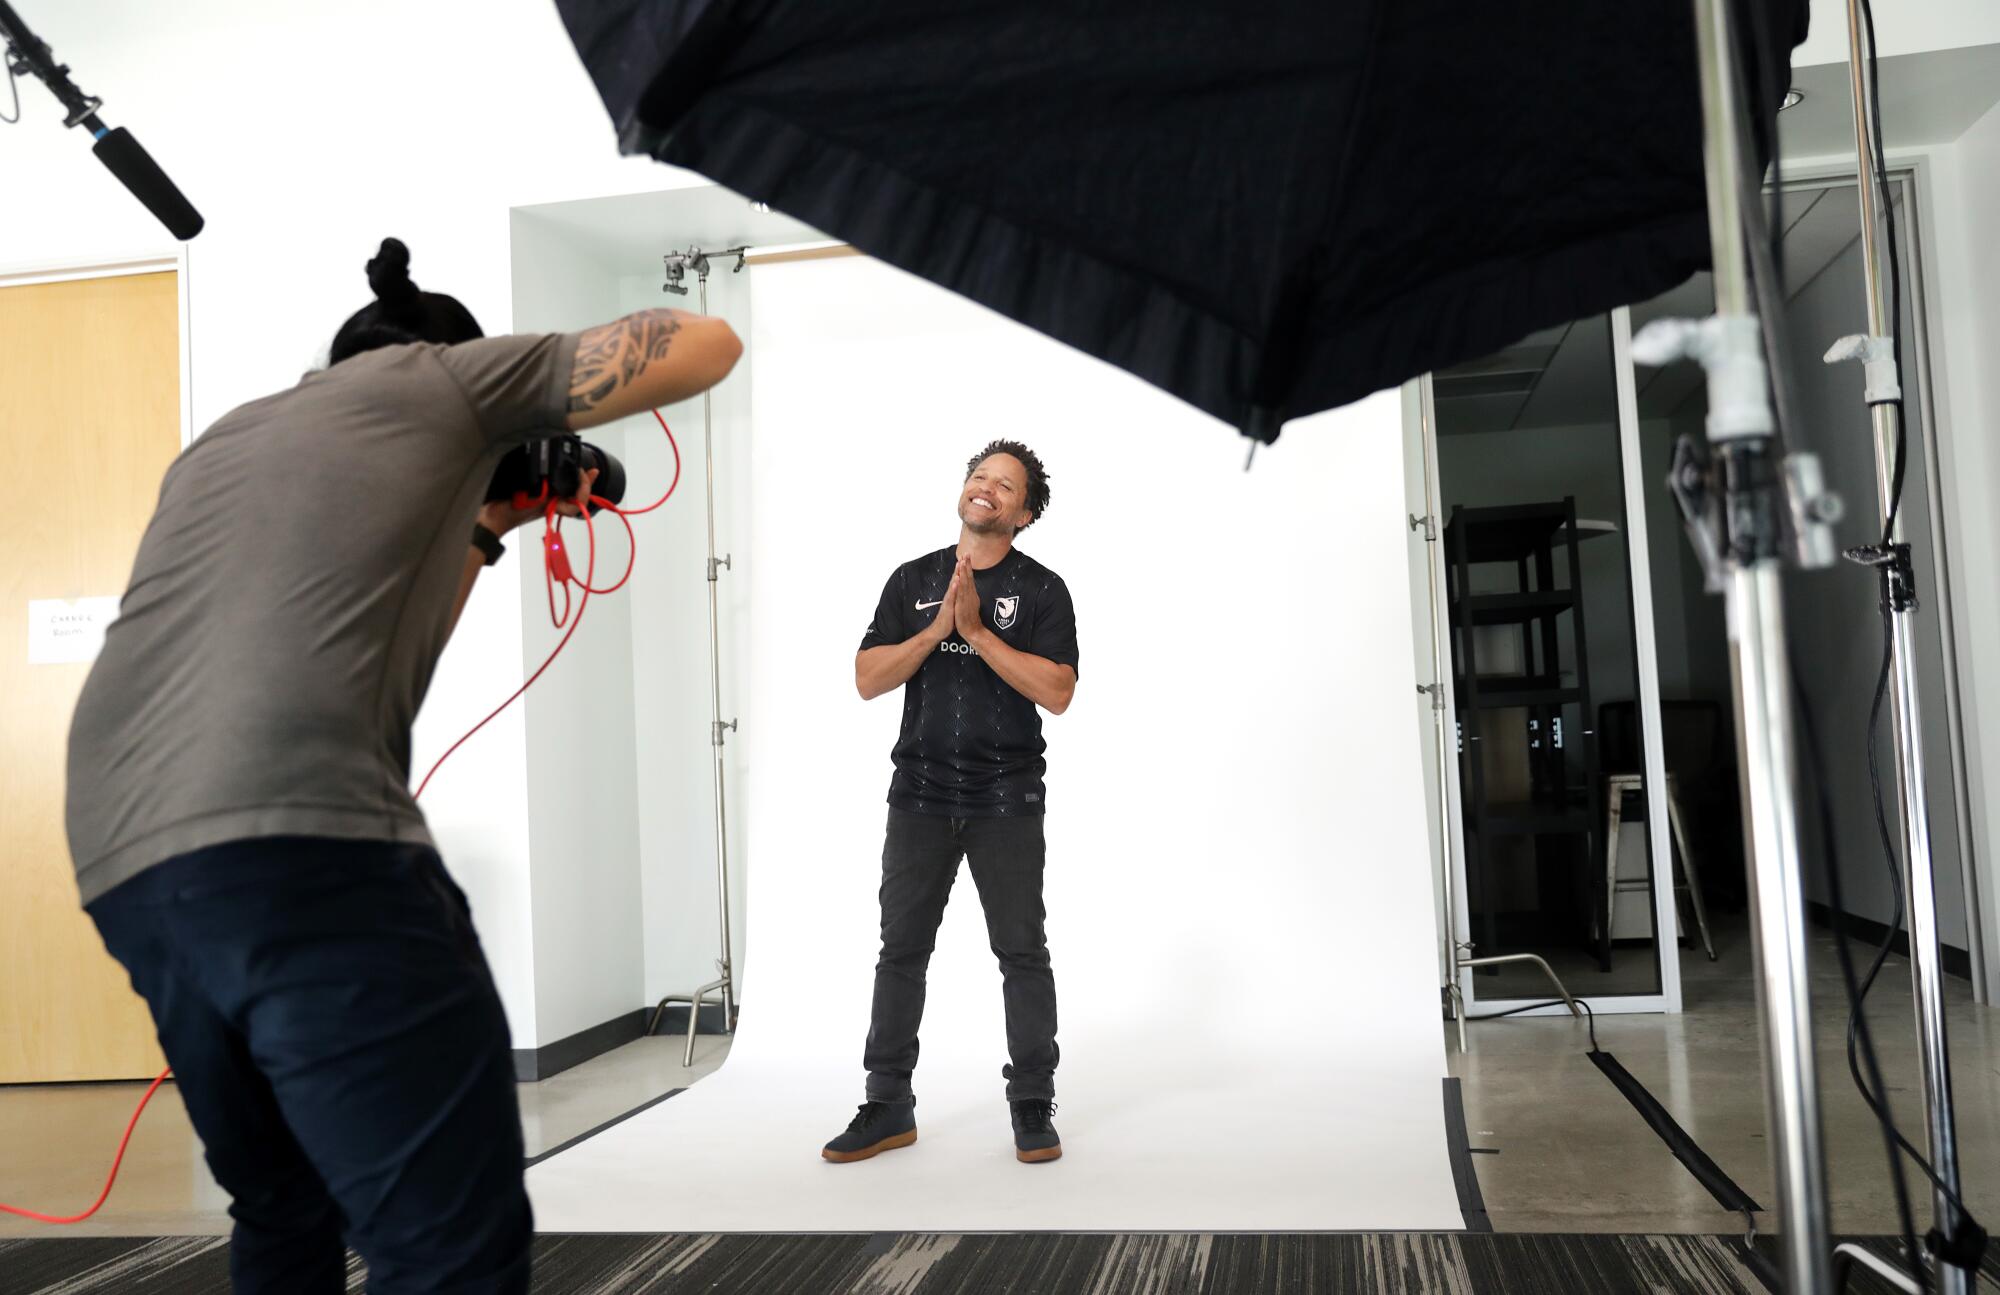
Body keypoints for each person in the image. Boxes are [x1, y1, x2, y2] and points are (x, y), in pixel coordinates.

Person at [65, 238, 741, 1294]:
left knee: (283, 1199)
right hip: (296, 849)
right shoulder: (440, 380)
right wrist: (523, 413)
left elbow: (391, 647)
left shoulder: (226, 441)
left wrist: (490, 521)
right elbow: (707, 341)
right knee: (447, 1250)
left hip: (129, 860)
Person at [823, 440, 1080, 1166]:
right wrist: (937, 629)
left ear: (1023, 513)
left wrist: (975, 633)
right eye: (980, 477)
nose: (987, 489)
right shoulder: (913, 580)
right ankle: (887, 1104)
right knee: (900, 951)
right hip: (920, 796)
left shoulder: (1042, 591)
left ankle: (1032, 1101)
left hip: (1007, 795)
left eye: (1005, 486)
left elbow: (1058, 691)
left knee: (1021, 951)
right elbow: (868, 677)